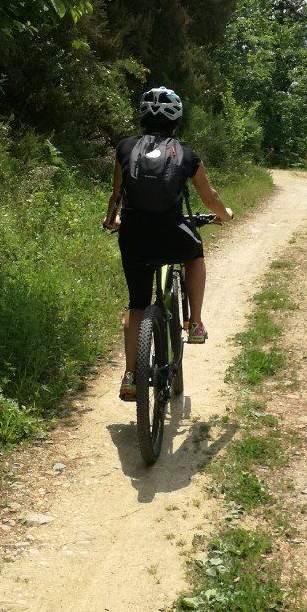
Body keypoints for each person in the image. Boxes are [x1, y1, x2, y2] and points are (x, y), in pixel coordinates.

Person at [103, 86, 233, 401]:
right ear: (176, 122)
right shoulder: (186, 154)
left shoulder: (124, 148)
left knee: (136, 305)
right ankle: (196, 323)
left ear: (143, 118)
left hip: (133, 235)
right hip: (172, 233)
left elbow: (116, 194)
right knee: (196, 255)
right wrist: (224, 214)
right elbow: (209, 197)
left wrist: (111, 220)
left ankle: (131, 376)